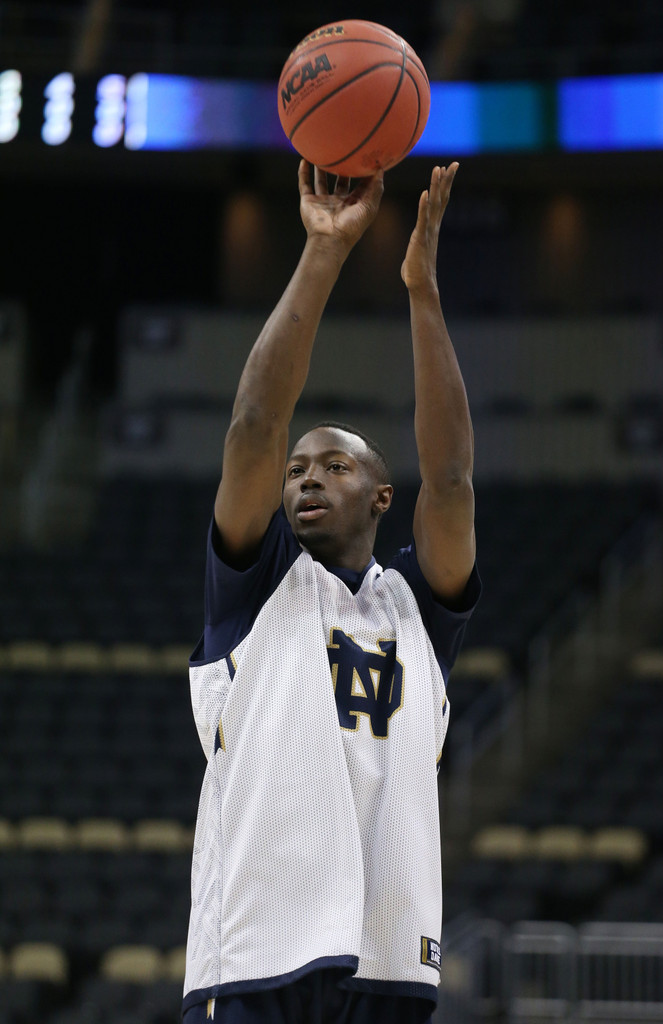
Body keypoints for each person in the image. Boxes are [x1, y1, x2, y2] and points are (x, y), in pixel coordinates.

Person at [183, 159, 480, 1024]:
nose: (306, 478)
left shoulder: (414, 610)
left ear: (381, 496)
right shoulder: (256, 584)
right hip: (258, 958)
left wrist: (422, 292)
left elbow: (453, 478)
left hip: (390, 955)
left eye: (336, 465)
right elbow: (252, 425)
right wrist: (322, 252)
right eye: (298, 469)